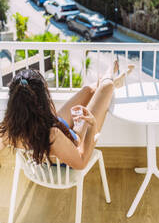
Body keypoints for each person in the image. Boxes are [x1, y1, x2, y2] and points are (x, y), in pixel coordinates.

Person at [0, 62, 134, 169]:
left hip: (57, 136)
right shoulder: (53, 134)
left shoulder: (7, 128)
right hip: (68, 152)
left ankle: (109, 81)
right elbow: (81, 163)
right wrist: (92, 125)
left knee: (89, 90)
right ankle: (109, 76)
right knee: (107, 86)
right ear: (41, 100)